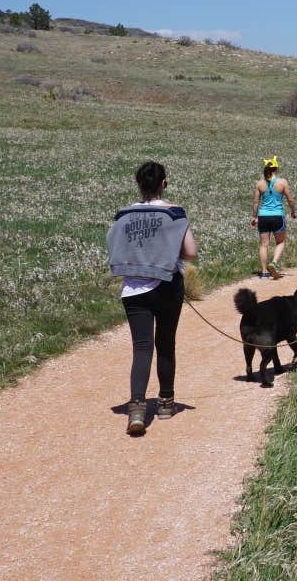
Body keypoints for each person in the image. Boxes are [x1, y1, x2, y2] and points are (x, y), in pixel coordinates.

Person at [106, 160, 197, 436]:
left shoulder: (123, 216)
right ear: (163, 184)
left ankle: (136, 408)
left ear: (139, 185)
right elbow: (190, 252)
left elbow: (113, 243)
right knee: (165, 343)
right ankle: (166, 403)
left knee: (141, 347)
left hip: (133, 290)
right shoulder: (175, 214)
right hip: (167, 286)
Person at [254, 156, 295, 278]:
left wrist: (254, 216)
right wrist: (293, 211)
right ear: (276, 169)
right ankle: (274, 262)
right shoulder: (282, 182)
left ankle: (264, 271)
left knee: (264, 244)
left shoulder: (259, 184)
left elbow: (256, 202)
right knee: (281, 241)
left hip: (263, 216)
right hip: (277, 216)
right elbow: (290, 199)